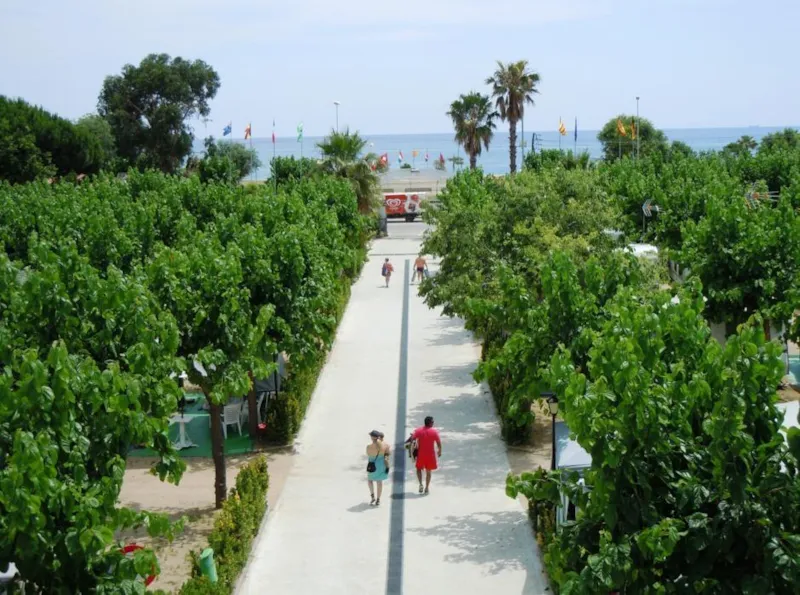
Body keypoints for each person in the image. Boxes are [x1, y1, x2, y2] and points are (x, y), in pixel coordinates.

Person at [406, 416, 441, 494]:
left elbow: (412, 440)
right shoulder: (434, 432)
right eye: (432, 422)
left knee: (418, 469)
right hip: (430, 455)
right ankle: (427, 488)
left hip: (421, 455)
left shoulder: (418, 431)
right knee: (429, 472)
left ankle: (421, 484)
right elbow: (438, 443)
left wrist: (412, 451)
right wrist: (439, 451)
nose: (433, 423)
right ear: (430, 423)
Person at [366, 430, 390, 505]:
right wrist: (387, 466)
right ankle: (378, 499)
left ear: (372, 437)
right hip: (381, 465)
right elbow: (388, 455)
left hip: (372, 465)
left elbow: (368, 454)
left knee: (370, 480)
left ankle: (372, 496)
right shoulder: (385, 445)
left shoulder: (369, 447)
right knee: (379, 482)